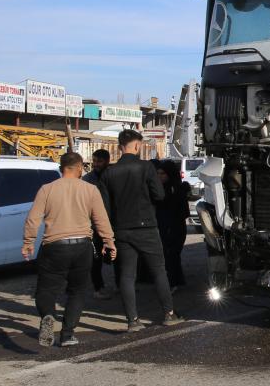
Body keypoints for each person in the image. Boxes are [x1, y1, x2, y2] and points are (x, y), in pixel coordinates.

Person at [23, 152, 117, 347]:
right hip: (82, 247)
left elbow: (33, 219)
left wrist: (28, 242)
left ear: (61, 168)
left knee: (46, 290)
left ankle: (48, 316)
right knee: (77, 291)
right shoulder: (90, 189)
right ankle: (67, 334)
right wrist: (109, 242)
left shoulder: (46, 189)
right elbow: (101, 219)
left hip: (53, 246)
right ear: (80, 167)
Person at [100, 129, 183, 331]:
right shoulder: (146, 167)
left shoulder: (108, 172)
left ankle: (132, 320)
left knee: (127, 275)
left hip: (121, 229)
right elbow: (159, 195)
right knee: (158, 271)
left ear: (120, 147)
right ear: (136, 146)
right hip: (146, 226)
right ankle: (169, 314)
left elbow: (105, 206)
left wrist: (108, 233)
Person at [153, 159, 191, 290]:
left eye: (162, 173)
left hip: (174, 228)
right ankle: (176, 281)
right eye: (158, 173)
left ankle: (172, 283)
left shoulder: (176, 190)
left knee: (171, 256)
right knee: (169, 256)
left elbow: (183, 213)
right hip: (164, 228)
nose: (159, 176)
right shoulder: (161, 189)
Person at [82, 149, 115, 300]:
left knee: (117, 256)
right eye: (94, 161)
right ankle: (98, 287)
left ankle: (122, 285)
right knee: (95, 259)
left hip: (114, 223)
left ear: (107, 161)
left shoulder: (114, 176)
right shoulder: (87, 179)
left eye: (99, 161)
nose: (95, 164)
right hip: (94, 225)